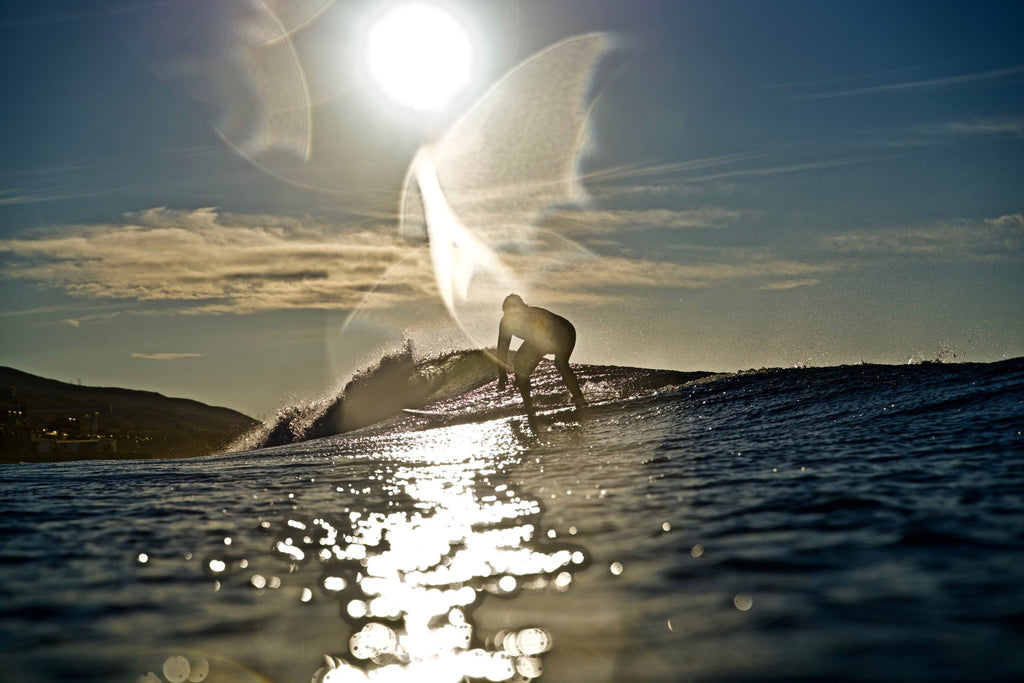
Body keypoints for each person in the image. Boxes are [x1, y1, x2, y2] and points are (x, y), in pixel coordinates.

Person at [495, 293, 586, 410]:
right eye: (508, 313)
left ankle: (579, 399)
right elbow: (502, 350)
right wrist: (502, 375)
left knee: (561, 363)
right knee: (521, 364)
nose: (512, 316)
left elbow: (539, 345)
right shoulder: (506, 323)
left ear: (522, 308)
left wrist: (525, 370)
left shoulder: (532, 316)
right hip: (546, 336)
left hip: (564, 331)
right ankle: (528, 405)